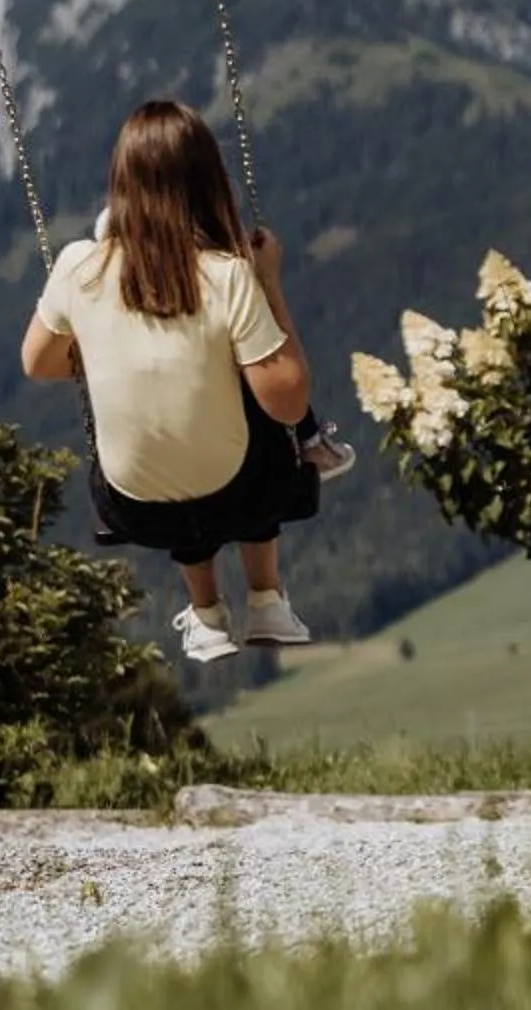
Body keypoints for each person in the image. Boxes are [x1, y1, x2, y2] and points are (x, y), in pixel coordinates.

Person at [19, 98, 350, 664]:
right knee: (254, 398)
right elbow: (290, 403)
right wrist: (270, 285)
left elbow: (40, 363)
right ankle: (266, 598)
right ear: (208, 182)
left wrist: (104, 349)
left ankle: (206, 615)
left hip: (134, 506)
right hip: (246, 495)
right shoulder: (227, 275)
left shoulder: (79, 266)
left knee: (174, 428)